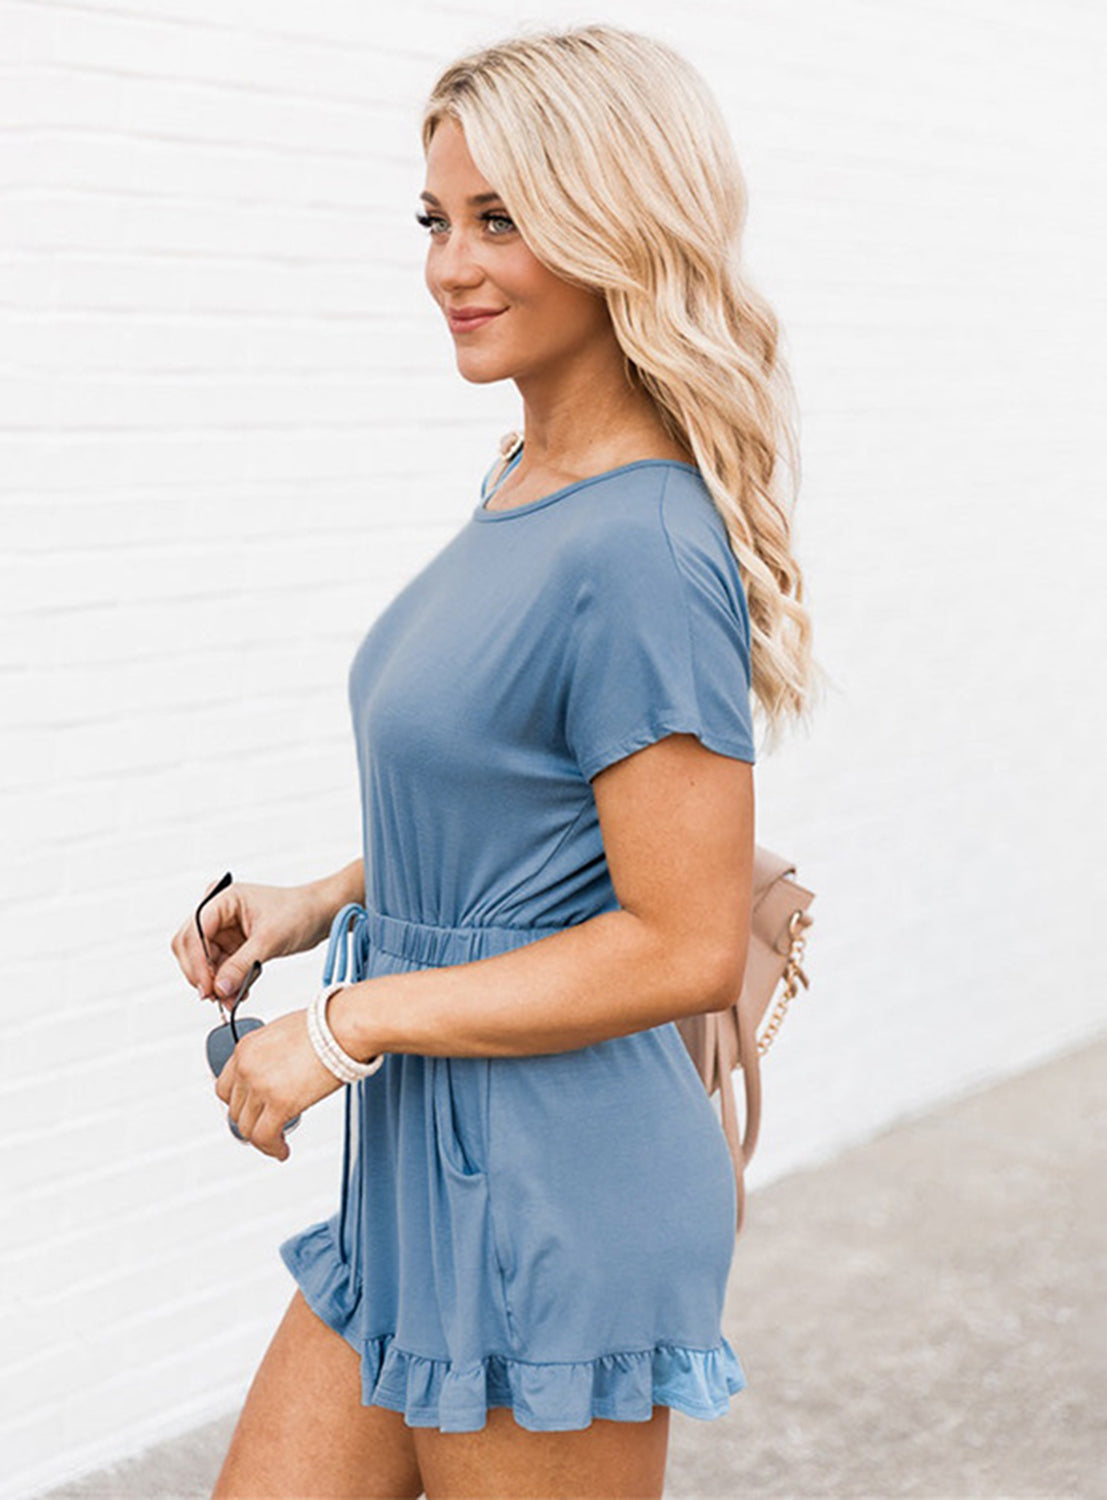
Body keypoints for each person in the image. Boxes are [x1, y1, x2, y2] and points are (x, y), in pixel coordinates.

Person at [170, 22, 815, 1499]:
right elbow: (526, 803)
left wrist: (343, 1027)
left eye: (501, 220)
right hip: (422, 1160)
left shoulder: (642, 543)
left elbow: (680, 942)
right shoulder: (527, 481)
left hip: (550, 1194)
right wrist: (326, 899)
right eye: (436, 220)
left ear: (616, 229)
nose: (451, 267)